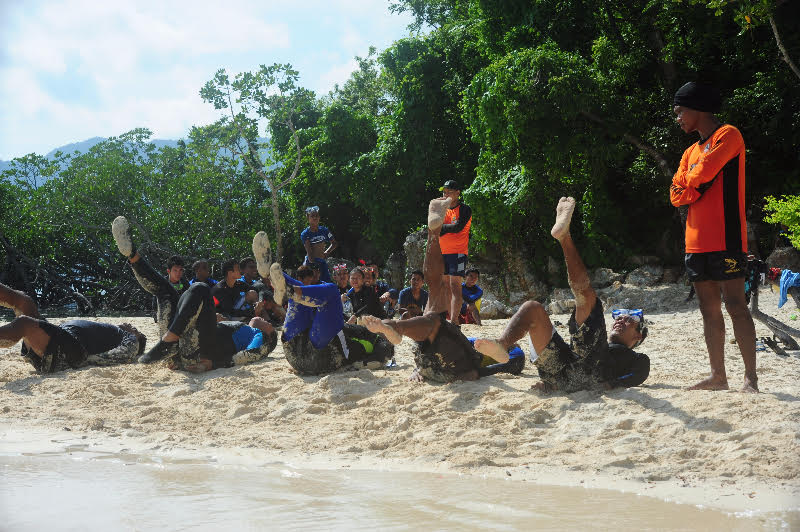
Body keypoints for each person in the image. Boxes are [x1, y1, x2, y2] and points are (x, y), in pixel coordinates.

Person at [476, 197, 650, 392]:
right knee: (531, 308)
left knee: (587, 299)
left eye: (630, 320)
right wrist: (549, 383)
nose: (620, 320)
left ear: (638, 337)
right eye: (619, 317)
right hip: (561, 370)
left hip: (593, 369)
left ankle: (564, 237)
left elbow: (640, 373)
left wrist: (613, 384)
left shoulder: (636, 358)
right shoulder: (601, 341)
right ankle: (502, 344)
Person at [670, 81, 758, 393]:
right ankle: (718, 376)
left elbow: (701, 174)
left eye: (680, 111)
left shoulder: (728, 135)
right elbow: (675, 194)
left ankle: (750, 378)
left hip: (727, 238)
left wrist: (690, 183)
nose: (677, 118)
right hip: (695, 242)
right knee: (708, 309)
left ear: (696, 108)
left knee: (735, 304)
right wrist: (689, 184)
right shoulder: (689, 150)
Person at [112, 217, 277, 371]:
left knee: (200, 288)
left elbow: (247, 356)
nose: (264, 320)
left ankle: (169, 340)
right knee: (167, 292)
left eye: (267, 324)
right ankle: (132, 255)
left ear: (270, 332)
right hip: (181, 348)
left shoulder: (260, 337)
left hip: (198, 351)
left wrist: (213, 364)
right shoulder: (245, 326)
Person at [361, 197, 488, 383]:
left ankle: (432, 233)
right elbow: (478, 368)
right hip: (437, 328)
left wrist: (419, 368)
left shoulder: (440, 344)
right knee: (435, 292)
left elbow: (476, 368)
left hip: (435, 327)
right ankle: (389, 326)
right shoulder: (454, 346)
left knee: (434, 290)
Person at [251, 232, 394, 376]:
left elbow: (387, 350)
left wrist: (362, 361)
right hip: (297, 348)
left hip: (319, 355)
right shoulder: (367, 333)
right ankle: (273, 276)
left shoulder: (375, 338)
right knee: (304, 291)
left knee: (331, 291)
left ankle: (277, 281)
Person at [0, 281, 146, 373]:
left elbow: (120, 356)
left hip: (70, 351)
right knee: (24, 300)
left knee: (24, 323)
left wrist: (87, 360)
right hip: (61, 337)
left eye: (136, 330)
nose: (131, 326)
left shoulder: (131, 340)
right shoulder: (114, 332)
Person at [438, 180, 472, 326]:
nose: (446, 194)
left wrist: (442, 228)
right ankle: (451, 318)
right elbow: (433, 226)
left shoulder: (465, 209)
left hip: (458, 252)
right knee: (445, 286)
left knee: (455, 286)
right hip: (442, 253)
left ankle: (454, 321)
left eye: (449, 192)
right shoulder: (442, 208)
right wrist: (445, 227)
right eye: (444, 192)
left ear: (458, 193)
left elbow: (457, 227)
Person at [301, 206, 337, 283]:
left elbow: (334, 243)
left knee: (326, 285)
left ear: (319, 217)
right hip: (310, 262)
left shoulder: (324, 230)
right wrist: (314, 266)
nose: (315, 218)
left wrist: (327, 252)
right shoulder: (305, 233)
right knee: (311, 285)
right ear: (308, 218)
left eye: (316, 216)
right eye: (312, 216)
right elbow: (309, 252)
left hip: (322, 261)